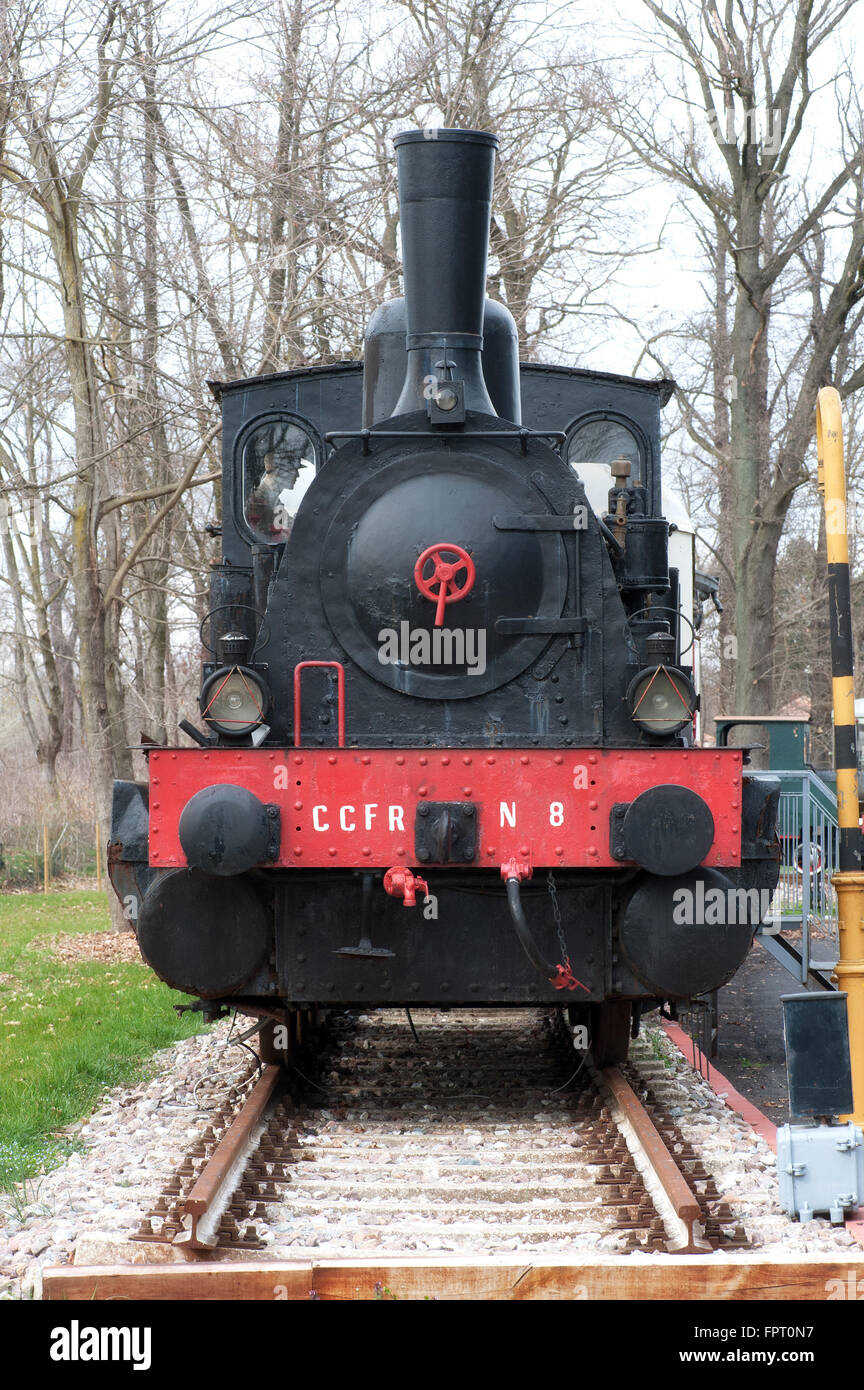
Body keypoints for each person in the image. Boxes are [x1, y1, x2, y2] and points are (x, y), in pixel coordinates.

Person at [244, 420, 314, 542]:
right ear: (277, 471)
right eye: (293, 470)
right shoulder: (258, 502)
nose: (297, 475)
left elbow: (289, 526)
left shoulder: (274, 501)